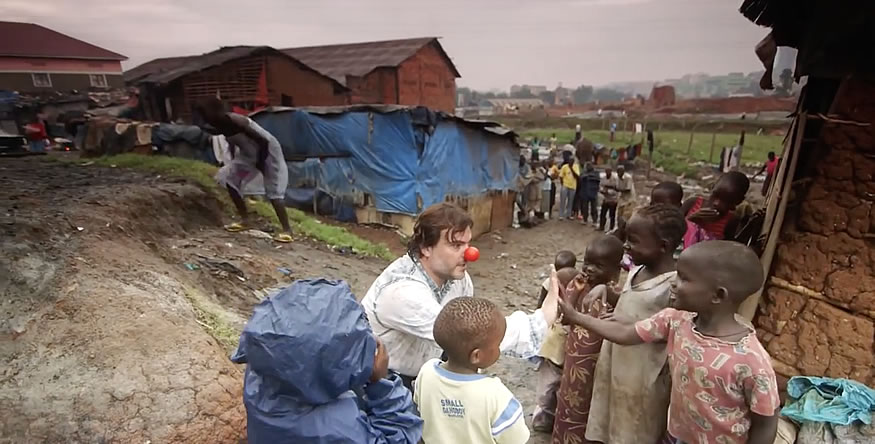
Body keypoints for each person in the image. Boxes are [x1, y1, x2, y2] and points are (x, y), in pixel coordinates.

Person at [558, 241, 780, 444]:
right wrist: (577, 317)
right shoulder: (676, 320)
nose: (673, 283)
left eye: (684, 278)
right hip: (676, 436)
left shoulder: (751, 360)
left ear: (718, 295)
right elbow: (625, 333)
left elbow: (766, 422)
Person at [361, 203, 560, 389]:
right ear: (426, 248)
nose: (469, 254)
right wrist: (544, 316)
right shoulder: (401, 292)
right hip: (382, 382)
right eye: (456, 245)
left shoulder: (458, 279)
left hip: (427, 374)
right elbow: (470, 334)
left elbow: (473, 330)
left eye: (467, 244)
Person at [231, 279, 423, 444]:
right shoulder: (338, 429)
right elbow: (400, 436)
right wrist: (382, 384)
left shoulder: (264, 371)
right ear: (326, 369)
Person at [584, 204, 687, 444]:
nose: (626, 245)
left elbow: (669, 328)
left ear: (663, 246)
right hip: (616, 363)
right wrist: (606, 291)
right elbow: (631, 301)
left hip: (643, 376)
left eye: (634, 240)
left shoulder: (673, 287)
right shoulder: (638, 269)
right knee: (610, 418)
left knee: (633, 429)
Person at [414, 297, 534, 444]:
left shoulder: (426, 372)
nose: (499, 349)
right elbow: (516, 440)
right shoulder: (496, 396)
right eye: (498, 344)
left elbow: (420, 410)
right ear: (476, 356)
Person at [552, 235, 625, 443]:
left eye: (599, 265)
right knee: (568, 398)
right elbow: (565, 316)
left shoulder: (616, 294)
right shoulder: (579, 284)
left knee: (591, 404)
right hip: (574, 358)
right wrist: (574, 290)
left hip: (600, 364)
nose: (590, 269)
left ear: (616, 271)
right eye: (587, 262)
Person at [198, 97, 293, 243]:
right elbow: (231, 140)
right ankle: (245, 220)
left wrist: (261, 162)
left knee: (274, 191)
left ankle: (287, 230)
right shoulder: (218, 124)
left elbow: (263, 141)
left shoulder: (236, 120)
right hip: (248, 154)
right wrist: (232, 159)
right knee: (231, 180)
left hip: (267, 152)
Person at [530, 267, 580, 433]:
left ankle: (555, 418)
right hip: (550, 360)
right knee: (545, 392)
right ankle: (543, 415)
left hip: (567, 362)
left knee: (562, 393)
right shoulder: (552, 309)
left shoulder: (576, 310)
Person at [681, 171, 750, 248]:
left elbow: (726, 250)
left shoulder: (731, 221)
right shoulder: (692, 203)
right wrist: (691, 220)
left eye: (725, 200)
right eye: (715, 195)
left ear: (738, 201)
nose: (716, 203)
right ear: (712, 187)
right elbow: (673, 229)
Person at [558, 152, 580, 220]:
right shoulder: (564, 167)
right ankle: (561, 215)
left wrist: (571, 169)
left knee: (571, 201)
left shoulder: (576, 166)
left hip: (573, 186)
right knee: (563, 201)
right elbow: (561, 176)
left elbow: (577, 176)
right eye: (570, 160)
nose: (571, 162)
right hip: (565, 185)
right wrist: (562, 184)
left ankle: (569, 214)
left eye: (572, 161)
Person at [598, 167, 619, 231]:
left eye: (609, 171)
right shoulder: (603, 178)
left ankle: (611, 228)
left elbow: (617, 190)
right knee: (602, 214)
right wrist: (602, 191)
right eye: (606, 171)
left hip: (613, 200)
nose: (607, 173)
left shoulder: (615, 179)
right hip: (605, 199)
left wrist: (607, 191)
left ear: (611, 171)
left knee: (612, 215)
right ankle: (601, 227)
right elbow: (601, 186)